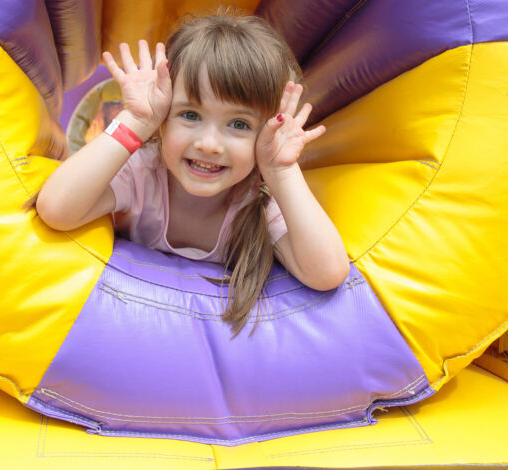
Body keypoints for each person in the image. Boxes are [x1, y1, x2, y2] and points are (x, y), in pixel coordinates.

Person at [37, 9, 349, 336]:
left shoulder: (257, 200)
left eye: (239, 124)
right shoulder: (145, 171)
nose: (209, 144)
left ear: (265, 134)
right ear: (164, 119)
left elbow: (328, 273)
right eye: (190, 115)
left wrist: (280, 170)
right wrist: (136, 123)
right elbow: (56, 209)